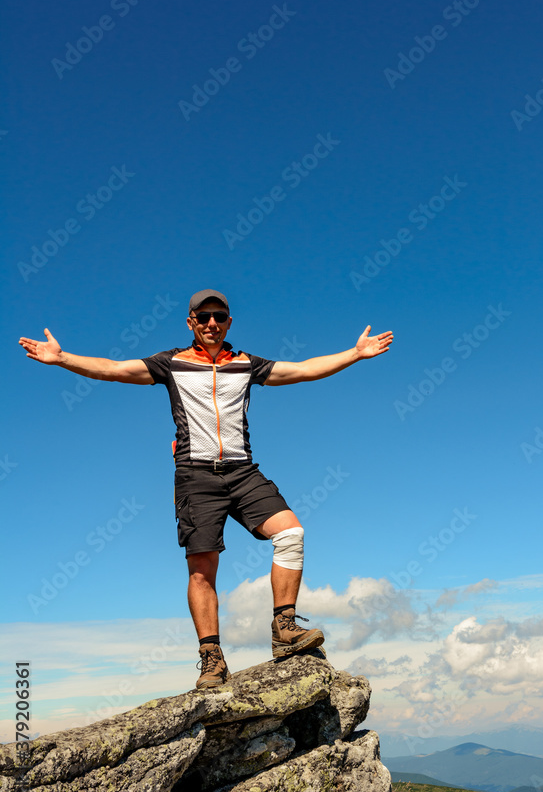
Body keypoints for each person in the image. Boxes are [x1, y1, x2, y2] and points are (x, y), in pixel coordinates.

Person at [19, 289, 393, 688]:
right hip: (195, 475)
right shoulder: (171, 363)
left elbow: (301, 370)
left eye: (219, 316)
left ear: (229, 322)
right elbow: (112, 368)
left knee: (291, 533)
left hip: (243, 471)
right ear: (191, 323)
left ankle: (284, 629)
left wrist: (354, 354)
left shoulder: (246, 364)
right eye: (203, 317)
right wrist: (61, 359)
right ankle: (212, 658)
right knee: (202, 570)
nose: (211, 323)